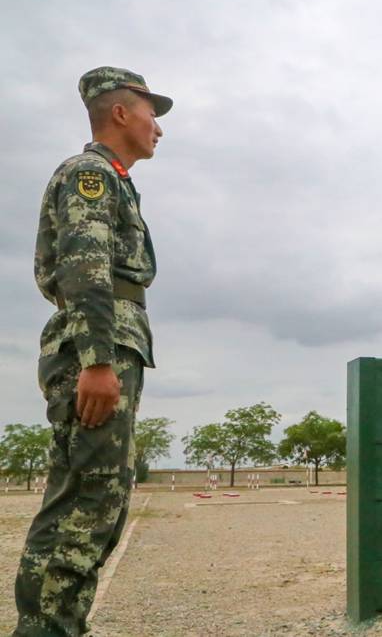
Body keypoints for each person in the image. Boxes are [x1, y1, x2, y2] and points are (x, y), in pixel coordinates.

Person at [14, 66, 171, 636]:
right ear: (122, 113)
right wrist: (98, 361)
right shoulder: (90, 174)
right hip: (96, 346)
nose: (160, 127)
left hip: (111, 339)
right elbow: (85, 268)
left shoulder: (115, 177)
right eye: (152, 112)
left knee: (102, 503)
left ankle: (61, 626)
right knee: (83, 503)